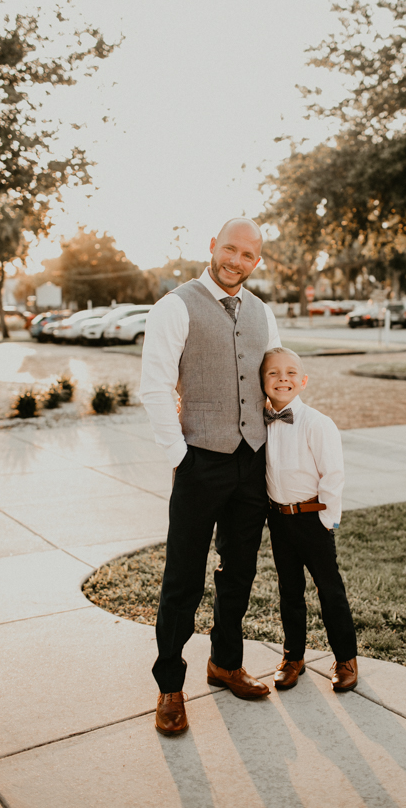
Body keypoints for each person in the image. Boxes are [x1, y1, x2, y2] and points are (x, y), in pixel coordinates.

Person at [139, 218, 281, 736]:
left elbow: (277, 380)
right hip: (200, 460)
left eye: (248, 255)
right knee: (183, 578)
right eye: (230, 249)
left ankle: (224, 662)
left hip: (252, 461)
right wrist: (181, 457)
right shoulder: (175, 306)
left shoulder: (264, 312)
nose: (236, 261)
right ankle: (170, 687)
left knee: (239, 570)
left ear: (256, 262)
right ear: (212, 248)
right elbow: (154, 387)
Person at [261, 347, 358, 692]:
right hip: (278, 519)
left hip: (312, 518)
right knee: (289, 590)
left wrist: (328, 520)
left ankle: (345, 657)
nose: (282, 379)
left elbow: (333, 474)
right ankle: (293, 656)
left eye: (290, 373)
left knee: (329, 589)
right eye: (273, 373)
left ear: (303, 382)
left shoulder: (317, 423)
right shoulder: (260, 422)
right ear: (262, 381)